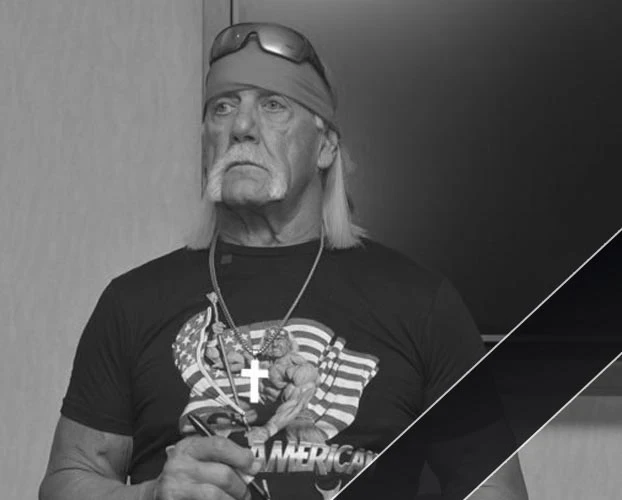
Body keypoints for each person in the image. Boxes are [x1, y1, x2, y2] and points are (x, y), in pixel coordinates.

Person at [39, 22, 529, 500]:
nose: (241, 127)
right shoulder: (132, 303)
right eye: (222, 107)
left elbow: (495, 488)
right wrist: (150, 495)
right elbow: (68, 479)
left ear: (325, 146)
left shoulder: (422, 305)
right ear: (206, 142)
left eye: (273, 105)